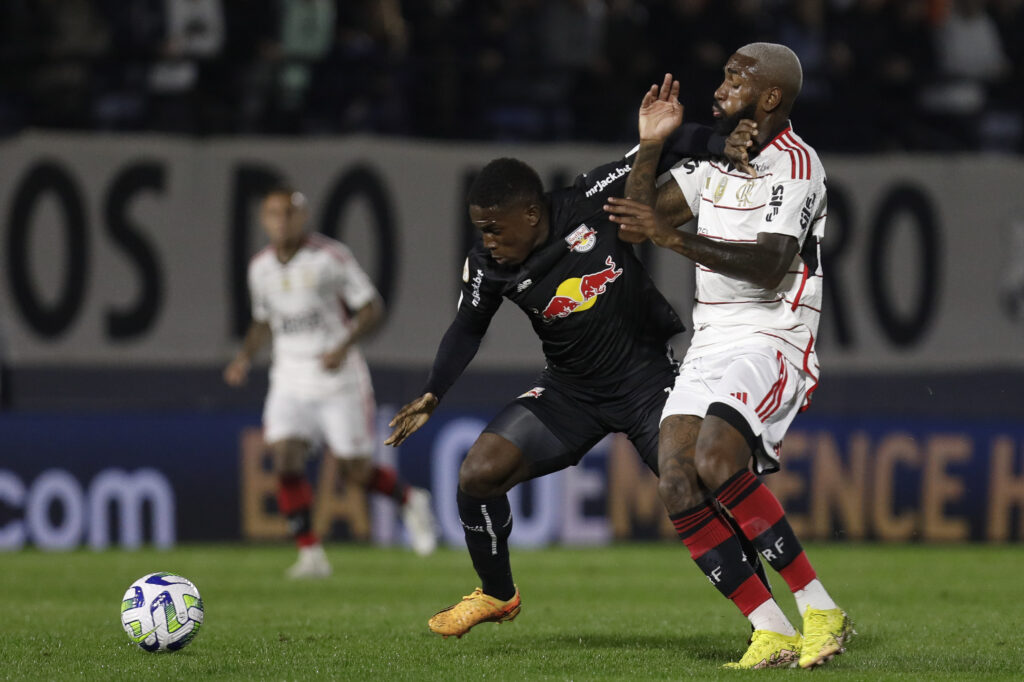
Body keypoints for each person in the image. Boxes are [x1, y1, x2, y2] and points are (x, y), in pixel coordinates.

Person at [385, 128, 771, 639]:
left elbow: (658, 152)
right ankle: (497, 593)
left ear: (530, 214)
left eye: (495, 230)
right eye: (480, 231)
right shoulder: (487, 267)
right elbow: (467, 328)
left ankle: (768, 622)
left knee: (697, 488)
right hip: (571, 393)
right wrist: (435, 391)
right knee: (478, 472)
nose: (487, 242)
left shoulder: (591, 199)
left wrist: (723, 141)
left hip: (646, 382)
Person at [603, 46, 851, 669]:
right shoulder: (715, 160)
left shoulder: (798, 164)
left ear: (770, 97)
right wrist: (654, 144)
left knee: (717, 455)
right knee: (678, 479)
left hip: (776, 333)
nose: (721, 86)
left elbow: (769, 267)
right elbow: (640, 220)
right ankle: (770, 628)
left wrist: (674, 238)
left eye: (737, 77)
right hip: (712, 336)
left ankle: (820, 608)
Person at [225, 187, 438, 578]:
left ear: (302, 217)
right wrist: (243, 358)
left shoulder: (329, 257)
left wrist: (343, 346)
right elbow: (262, 320)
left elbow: (372, 307)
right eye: (274, 214)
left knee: (353, 471)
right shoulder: (260, 268)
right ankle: (311, 555)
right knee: (285, 457)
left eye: (289, 213)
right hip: (288, 378)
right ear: (264, 220)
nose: (281, 221)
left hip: (337, 379)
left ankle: (410, 500)